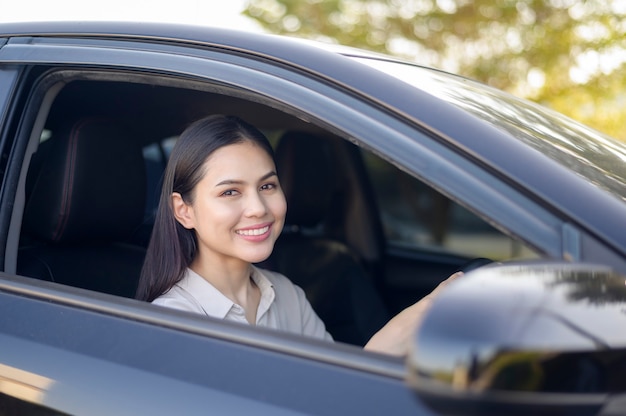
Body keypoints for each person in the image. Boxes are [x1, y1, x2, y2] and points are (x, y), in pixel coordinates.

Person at [136, 114, 461, 356]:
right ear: (184, 210)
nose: (258, 208)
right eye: (230, 192)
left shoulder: (287, 295)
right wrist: (386, 347)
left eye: (267, 186)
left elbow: (329, 392)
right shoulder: (172, 324)